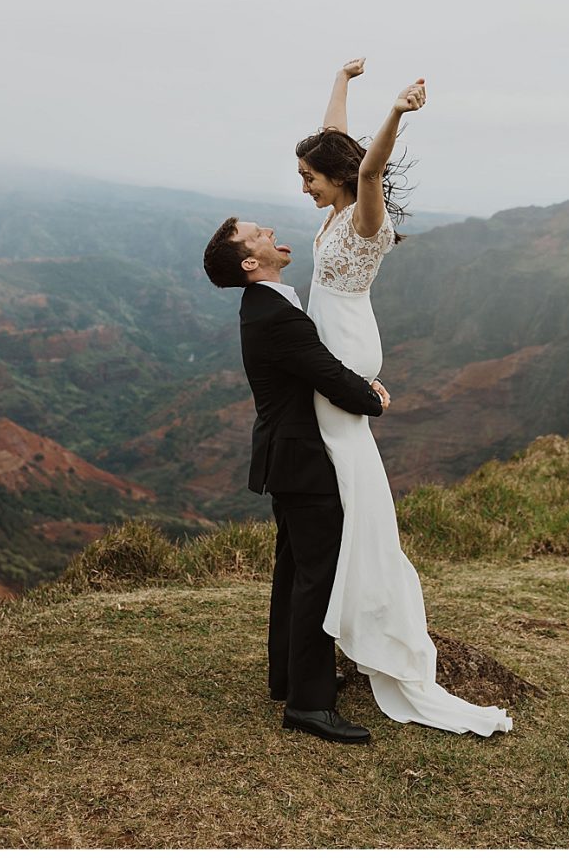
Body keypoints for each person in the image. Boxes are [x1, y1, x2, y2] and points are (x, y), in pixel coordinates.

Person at [296, 60, 511, 736]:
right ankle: (343, 601)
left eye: (308, 177)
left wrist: (394, 112)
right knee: (344, 480)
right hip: (338, 351)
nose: (302, 186)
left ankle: (353, 604)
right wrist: (341, 80)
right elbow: (334, 139)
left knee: (345, 489)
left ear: (335, 182)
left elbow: (364, 169)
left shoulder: (363, 219)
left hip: (345, 355)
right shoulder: (334, 203)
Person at [203, 217, 388, 744]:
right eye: (258, 232)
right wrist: (371, 398)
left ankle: (285, 677)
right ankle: (309, 704)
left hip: (287, 458)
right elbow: (324, 371)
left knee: (293, 571)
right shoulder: (274, 316)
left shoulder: (268, 305)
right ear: (249, 262)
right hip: (303, 462)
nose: (270, 230)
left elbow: (316, 365)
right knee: (316, 578)